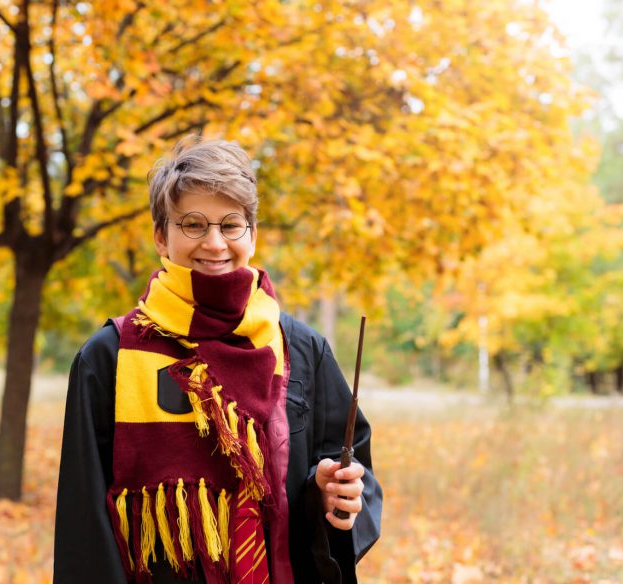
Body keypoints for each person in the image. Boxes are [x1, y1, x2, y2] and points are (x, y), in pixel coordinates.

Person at [54, 136, 382, 583]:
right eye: (192, 224)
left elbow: (348, 475)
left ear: (251, 234)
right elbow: (83, 524)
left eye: (231, 225)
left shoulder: (301, 350)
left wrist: (330, 494)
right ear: (160, 237)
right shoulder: (109, 357)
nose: (214, 243)